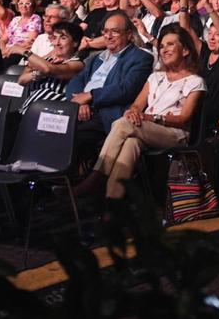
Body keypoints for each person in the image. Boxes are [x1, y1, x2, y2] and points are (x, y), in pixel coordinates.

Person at [73, 24, 206, 201]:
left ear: (186, 50)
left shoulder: (195, 81)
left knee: (123, 124)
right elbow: (136, 105)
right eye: (162, 46)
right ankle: (111, 205)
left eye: (171, 44)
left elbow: (184, 118)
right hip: (145, 129)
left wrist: (149, 117)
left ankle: (96, 177)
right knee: (131, 143)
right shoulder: (155, 77)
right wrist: (134, 112)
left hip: (174, 134)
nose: (164, 50)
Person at [65, 12, 153, 159]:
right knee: (40, 126)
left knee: (72, 136)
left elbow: (126, 89)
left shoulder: (141, 58)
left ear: (129, 34)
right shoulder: (96, 58)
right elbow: (76, 81)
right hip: (80, 110)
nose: (108, 36)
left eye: (115, 31)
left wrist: (90, 96)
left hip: (105, 115)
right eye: (105, 31)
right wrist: (80, 104)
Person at [18, 21, 85, 111]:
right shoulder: (47, 61)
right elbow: (21, 80)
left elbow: (49, 70)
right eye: (54, 38)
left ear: (75, 43)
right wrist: (40, 72)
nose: (57, 43)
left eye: (63, 38)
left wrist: (24, 52)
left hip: (52, 115)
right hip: (27, 110)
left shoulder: (77, 64)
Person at [2, 0, 42, 66]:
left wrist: (11, 50)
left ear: (33, 6)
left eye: (27, 3)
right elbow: (2, 40)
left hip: (20, 51)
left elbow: (30, 41)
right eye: (21, 3)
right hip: (7, 51)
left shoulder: (35, 18)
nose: (24, 6)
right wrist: (3, 49)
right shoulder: (15, 19)